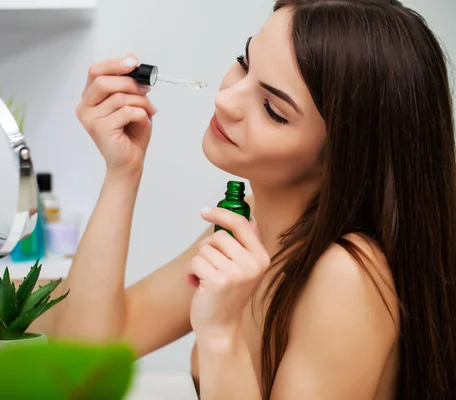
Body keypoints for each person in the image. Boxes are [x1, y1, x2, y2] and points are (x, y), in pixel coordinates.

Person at [53, 0, 456, 398]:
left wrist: (219, 335)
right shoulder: (250, 229)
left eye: (272, 109)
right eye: (243, 63)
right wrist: (123, 173)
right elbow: (83, 357)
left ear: (345, 153)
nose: (224, 99)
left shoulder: (345, 276)